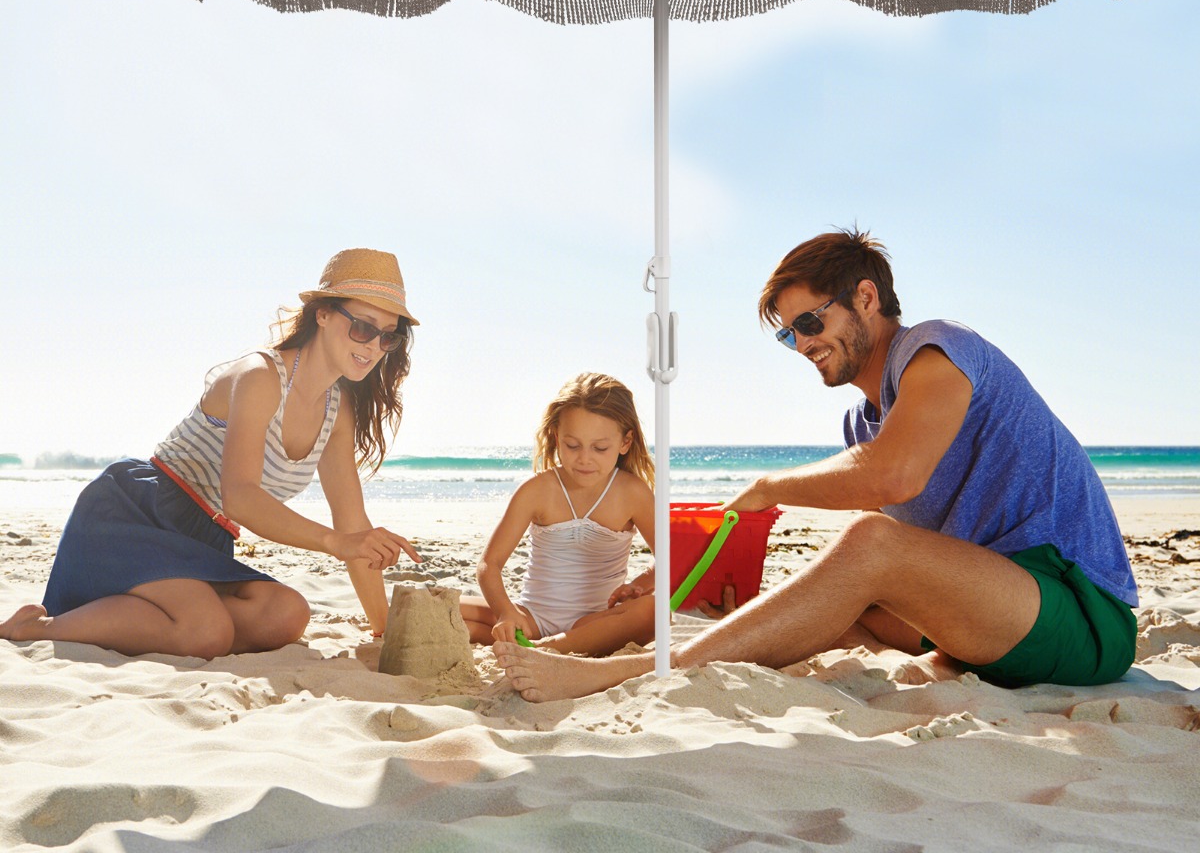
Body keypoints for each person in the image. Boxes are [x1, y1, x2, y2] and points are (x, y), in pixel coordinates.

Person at [497, 229, 1138, 701]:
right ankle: (655, 658)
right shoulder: (862, 422)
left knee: (870, 542)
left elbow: (892, 478)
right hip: (990, 625)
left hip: (1081, 614)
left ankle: (622, 673)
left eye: (809, 321)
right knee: (825, 605)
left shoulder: (939, 350)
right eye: (787, 334)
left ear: (865, 297)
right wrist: (717, 594)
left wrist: (770, 486)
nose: (802, 344)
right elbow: (879, 567)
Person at [0, 248, 422, 659]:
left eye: (388, 336)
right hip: (139, 513)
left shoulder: (337, 408)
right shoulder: (261, 377)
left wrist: (383, 624)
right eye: (363, 327)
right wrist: (334, 543)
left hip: (208, 537)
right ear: (323, 314)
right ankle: (36, 627)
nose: (373, 346)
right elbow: (240, 495)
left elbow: (352, 522)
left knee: (287, 613)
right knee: (207, 631)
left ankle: (153, 618)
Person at [460, 372, 657, 657]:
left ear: (625, 442)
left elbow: (672, 559)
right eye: (572, 445)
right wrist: (506, 613)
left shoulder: (632, 493)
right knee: (439, 604)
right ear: (556, 437)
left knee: (653, 612)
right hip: (530, 618)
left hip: (597, 622)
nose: (584, 458)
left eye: (600, 448)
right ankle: (522, 640)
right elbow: (489, 565)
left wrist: (639, 586)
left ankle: (545, 649)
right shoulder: (537, 490)